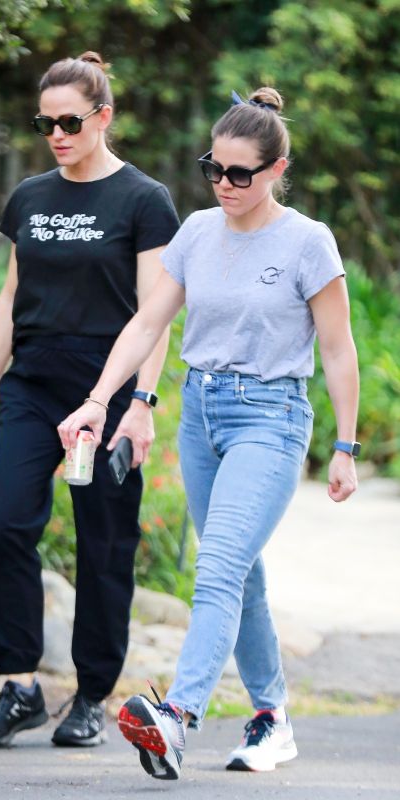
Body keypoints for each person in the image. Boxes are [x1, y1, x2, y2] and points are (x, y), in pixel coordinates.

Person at [57, 87, 359, 778]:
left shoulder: (307, 242)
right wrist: (100, 400)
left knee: (217, 567)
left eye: (239, 174)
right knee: (240, 573)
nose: (223, 184)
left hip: (271, 418)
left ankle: (178, 714)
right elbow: (146, 323)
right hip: (201, 414)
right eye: (212, 170)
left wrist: (344, 446)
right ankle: (271, 717)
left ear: (277, 169)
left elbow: (338, 351)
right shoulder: (195, 230)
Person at [0, 51, 179, 749]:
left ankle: (92, 695)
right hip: (33, 384)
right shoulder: (31, 197)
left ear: (102, 117)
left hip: (106, 390)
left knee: (104, 544)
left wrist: (141, 403)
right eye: (45, 123)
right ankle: (19, 685)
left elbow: (153, 313)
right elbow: (11, 297)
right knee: (2, 526)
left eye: (70, 121)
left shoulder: (143, 200)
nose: (56, 134)